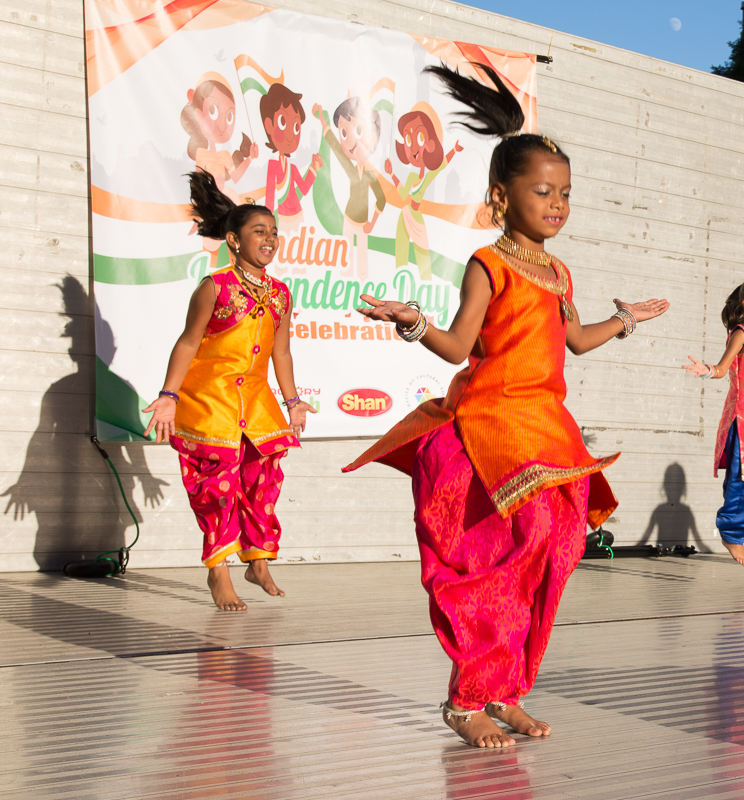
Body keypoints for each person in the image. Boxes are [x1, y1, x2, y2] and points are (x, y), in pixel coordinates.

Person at [343, 63, 669, 748]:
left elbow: (572, 340)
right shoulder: (487, 265)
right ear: (501, 196)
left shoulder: (558, 272)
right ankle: (467, 698)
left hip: (545, 429)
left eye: (565, 193)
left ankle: (507, 690)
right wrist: (412, 320)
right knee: (493, 564)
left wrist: (624, 321)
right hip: (492, 430)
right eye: (543, 191)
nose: (557, 204)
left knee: (555, 551)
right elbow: (459, 346)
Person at [143, 169, 316, 610]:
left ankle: (257, 558)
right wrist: (169, 396)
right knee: (216, 487)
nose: (270, 238)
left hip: (255, 403)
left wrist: (293, 402)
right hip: (210, 400)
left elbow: (281, 352)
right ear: (234, 240)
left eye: (273, 231)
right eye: (259, 231)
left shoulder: (280, 294)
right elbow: (188, 343)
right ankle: (218, 570)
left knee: (263, 479)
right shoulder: (214, 287)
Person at [684, 282, 744, 566]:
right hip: (741, 419)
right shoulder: (741, 333)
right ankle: (732, 533)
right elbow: (721, 369)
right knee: (739, 478)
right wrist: (708, 370)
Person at [385, 101, 462, 280]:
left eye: (420, 138)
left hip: (416, 215)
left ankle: (425, 280)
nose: (413, 148)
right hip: (405, 213)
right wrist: (391, 174)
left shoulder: (427, 176)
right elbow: (402, 194)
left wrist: (454, 150)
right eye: (408, 140)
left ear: (431, 143)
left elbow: (442, 165)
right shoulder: (412, 177)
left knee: (422, 253)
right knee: (401, 249)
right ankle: (399, 277)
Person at [312, 97, 387, 280]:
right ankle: (345, 287)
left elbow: (382, 199)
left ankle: (363, 288)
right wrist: (322, 120)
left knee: (362, 265)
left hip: (362, 224)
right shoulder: (351, 170)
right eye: (344, 133)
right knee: (346, 263)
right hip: (348, 220)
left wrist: (372, 223)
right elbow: (337, 149)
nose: (351, 142)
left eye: (359, 131)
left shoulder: (370, 175)